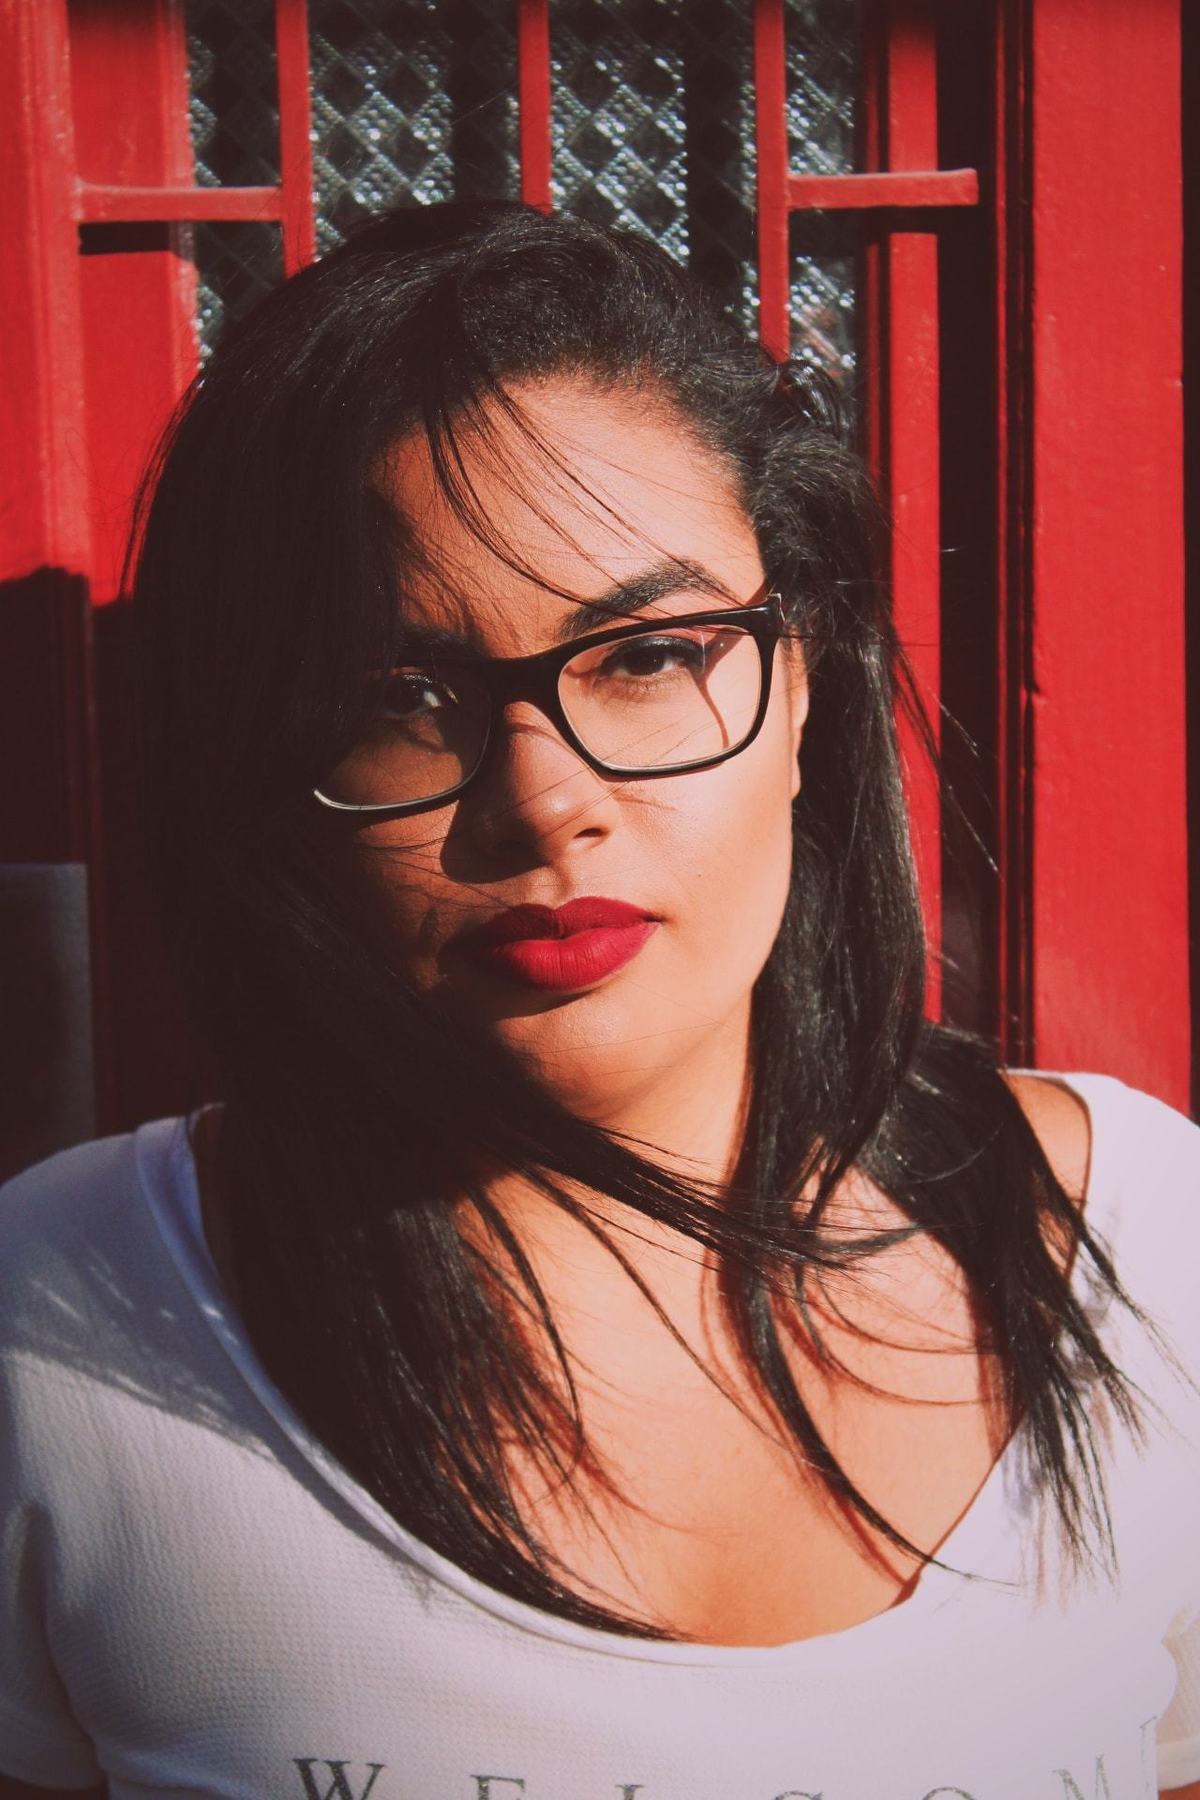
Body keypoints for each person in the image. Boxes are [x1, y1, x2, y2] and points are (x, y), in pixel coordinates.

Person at [0, 200, 1197, 1800]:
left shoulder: (1146, 1248)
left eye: (645, 654)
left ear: (804, 692)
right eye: (401, 696)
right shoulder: (49, 1332)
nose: (544, 801)